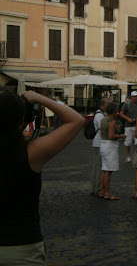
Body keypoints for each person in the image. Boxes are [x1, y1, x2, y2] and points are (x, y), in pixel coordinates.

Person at [0, 91, 84, 263]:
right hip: (22, 247)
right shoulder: (31, 153)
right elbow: (77, 120)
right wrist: (38, 97)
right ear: (23, 120)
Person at [99, 102, 126, 200]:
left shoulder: (103, 119)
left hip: (103, 144)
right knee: (109, 171)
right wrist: (121, 136)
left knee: (104, 169)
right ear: (114, 111)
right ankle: (107, 193)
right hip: (110, 146)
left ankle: (102, 191)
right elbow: (111, 136)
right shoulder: (112, 121)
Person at [89, 98, 109, 197]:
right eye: (108, 104)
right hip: (99, 143)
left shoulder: (101, 114)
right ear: (103, 105)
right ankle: (97, 188)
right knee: (98, 166)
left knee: (98, 166)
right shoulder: (100, 115)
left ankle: (96, 187)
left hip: (99, 142)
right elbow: (104, 128)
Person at [119, 91, 137, 163]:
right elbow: (121, 113)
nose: (135, 98)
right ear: (131, 97)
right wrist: (127, 118)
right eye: (134, 96)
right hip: (128, 125)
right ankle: (127, 156)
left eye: (136, 96)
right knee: (127, 142)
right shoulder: (127, 104)